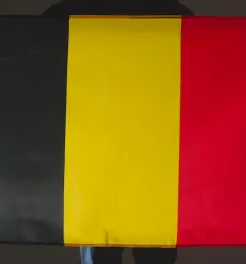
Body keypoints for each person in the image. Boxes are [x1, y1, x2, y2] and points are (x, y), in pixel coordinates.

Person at [44, 1, 193, 264]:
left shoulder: (170, 11)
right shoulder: (73, 9)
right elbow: (22, 45)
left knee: (152, 256)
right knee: (103, 255)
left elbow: (211, 57)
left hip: (151, 161)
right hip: (99, 159)